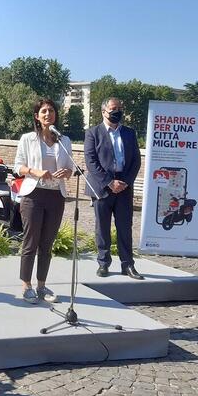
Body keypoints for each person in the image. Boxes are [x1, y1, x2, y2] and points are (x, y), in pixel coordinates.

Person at [13, 98, 74, 304]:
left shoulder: (64, 141)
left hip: (56, 196)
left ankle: (41, 285)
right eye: (44, 111)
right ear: (37, 116)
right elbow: (18, 166)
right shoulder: (28, 139)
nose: (48, 114)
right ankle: (26, 286)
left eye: (51, 111)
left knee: (47, 243)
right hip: (34, 195)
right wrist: (35, 171)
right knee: (31, 241)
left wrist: (68, 171)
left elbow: (70, 168)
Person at [84, 97, 143, 280]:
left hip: (124, 187)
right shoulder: (93, 133)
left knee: (125, 227)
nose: (117, 111)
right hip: (101, 187)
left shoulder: (129, 133)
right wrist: (109, 182)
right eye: (113, 108)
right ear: (104, 112)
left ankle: (128, 265)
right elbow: (91, 161)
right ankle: (103, 263)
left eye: (119, 107)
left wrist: (124, 181)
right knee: (102, 228)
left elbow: (136, 161)